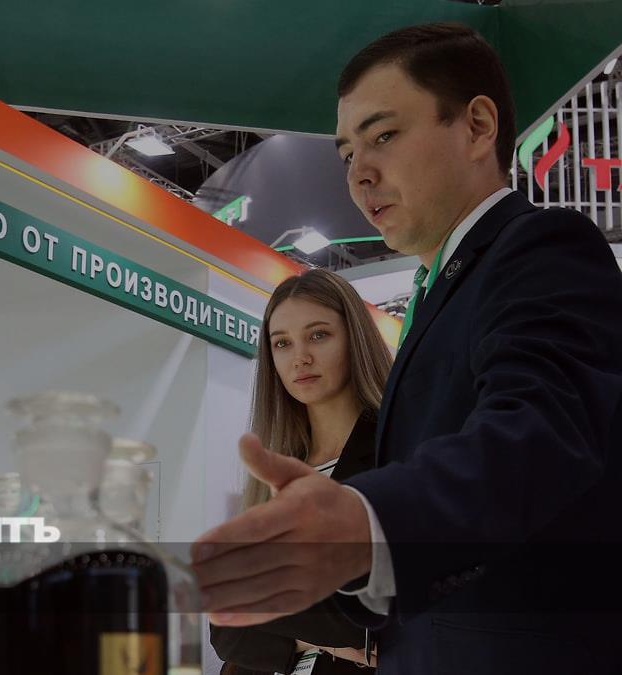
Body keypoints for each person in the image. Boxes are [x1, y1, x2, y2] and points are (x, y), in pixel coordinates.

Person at [192, 22, 622, 675]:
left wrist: (364, 520)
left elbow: (535, 434)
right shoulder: (442, 294)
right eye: (346, 154)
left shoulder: (541, 248)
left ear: (477, 126)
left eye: (384, 136)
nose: (359, 174)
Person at [210, 269, 390, 675]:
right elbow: (224, 625)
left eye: (318, 335)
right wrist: (310, 637)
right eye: (282, 343)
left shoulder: (395, 449)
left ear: (354, 339)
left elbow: (364, 614)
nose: (300, 357)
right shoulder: (276, 468)